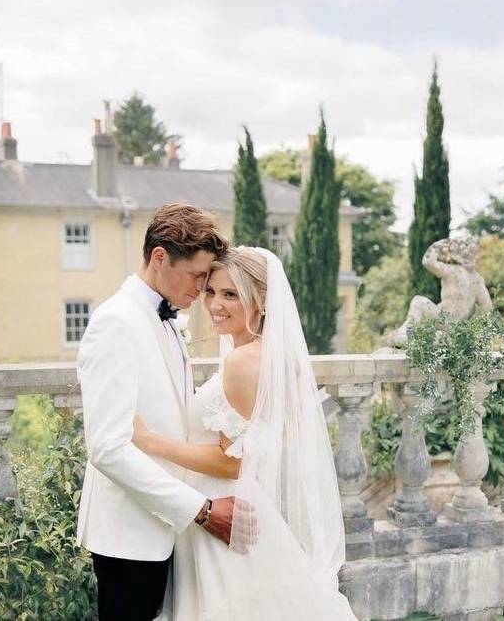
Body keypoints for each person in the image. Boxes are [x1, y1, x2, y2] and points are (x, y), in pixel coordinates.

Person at [132, 247, 358, 620]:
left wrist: (151, 442)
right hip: (240, 508)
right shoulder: (266, 355)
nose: (215, 305)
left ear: (262, 301)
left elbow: (232, 461)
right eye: (210, 291)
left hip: (224, 512)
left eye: (230, 294)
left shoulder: (242, 361)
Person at [76, 203, 245, 621]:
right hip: (129, 535)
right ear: (159, 257)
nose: (202, 290)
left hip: (165, 531)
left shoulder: (166, 319)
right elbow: (109, 448)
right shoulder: (115, 322)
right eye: (196, 276)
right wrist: (201, 510)